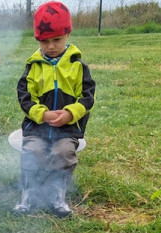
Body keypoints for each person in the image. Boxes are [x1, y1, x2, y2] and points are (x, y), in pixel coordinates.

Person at [13, 1, 95, 218]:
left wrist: (70, 113)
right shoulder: (33, 65)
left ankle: (57, 196)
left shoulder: (78, 66)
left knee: (63, 154)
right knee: (33, 153)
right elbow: (25, 97)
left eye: (57, 40)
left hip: (67, 131)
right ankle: (28, 194)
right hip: (37, 129)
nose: (50, 46)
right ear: (37, 40)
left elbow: (87, 98)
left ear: (68, 34)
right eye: (44, 41)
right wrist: (42, 114)